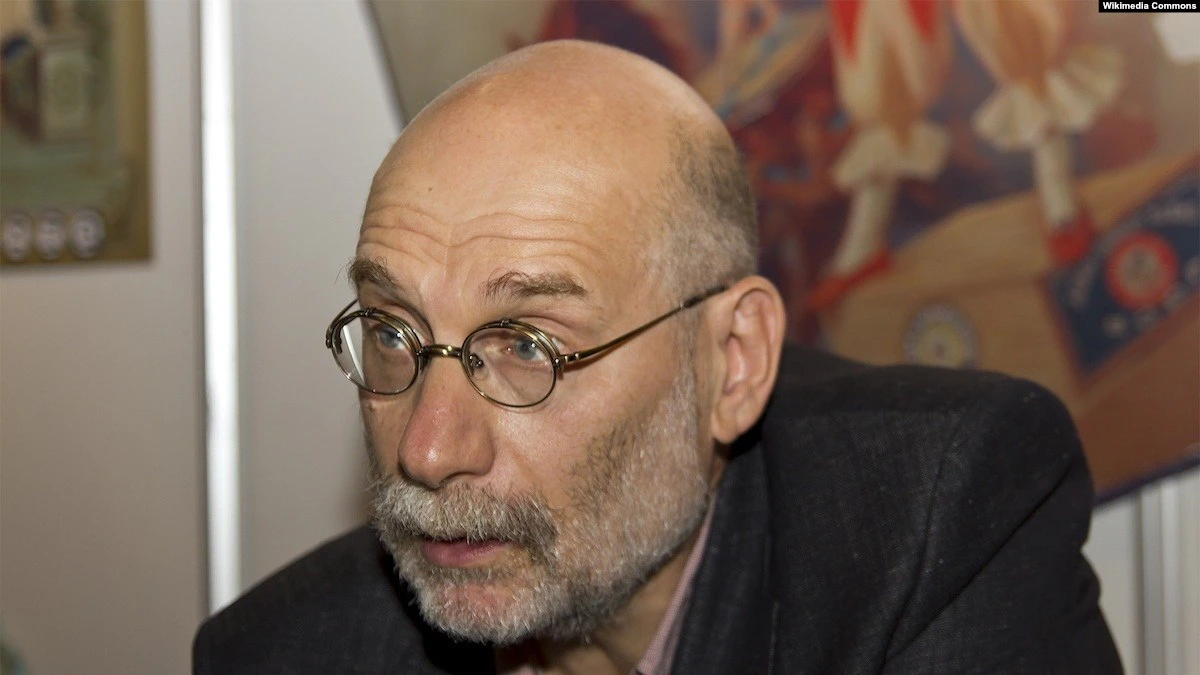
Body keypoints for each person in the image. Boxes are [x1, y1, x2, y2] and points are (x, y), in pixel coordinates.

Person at [193, 40, 1122, 675]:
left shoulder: (939, 522)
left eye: (525, 346)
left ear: (733, 362)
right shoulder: (281, 653)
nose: (427, 449)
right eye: (392, 332)